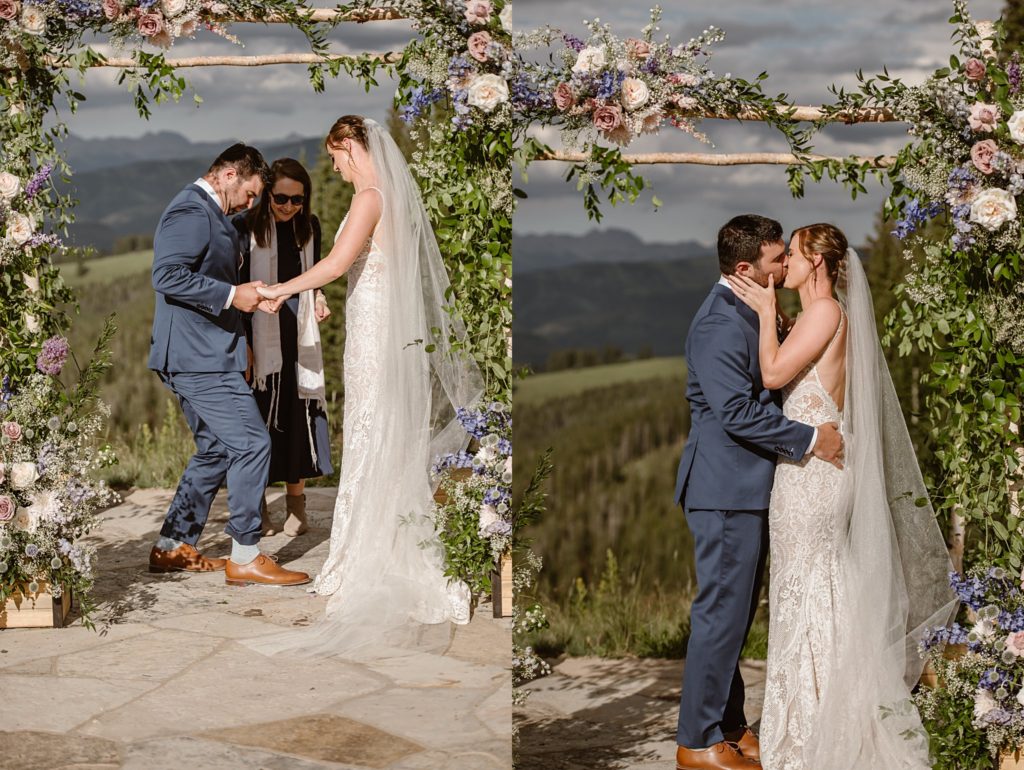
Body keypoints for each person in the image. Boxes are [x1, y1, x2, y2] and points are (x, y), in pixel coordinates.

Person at [248, 116, 484, 656]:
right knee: (383, 427)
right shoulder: (393, 197)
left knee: (373, 425)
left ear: (351, 147)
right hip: (385, 322)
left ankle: (369, 553)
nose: (333, 167)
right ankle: (378, 536)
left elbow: (336, 261)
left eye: (334, 157)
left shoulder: (370, 197)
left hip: (377, 328)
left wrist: (283, 289)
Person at [727, 223, 956, 770]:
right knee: (812, 585)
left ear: (818, 263)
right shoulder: (815, 316)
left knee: (811, 585)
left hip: (813, 474)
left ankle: (818, 723)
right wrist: (779, 321)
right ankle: (818, 710)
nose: (785, 266)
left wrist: (763, 316)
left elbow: (774, 370)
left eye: (795, 255)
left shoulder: (825, 311)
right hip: (807, 468)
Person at [672, 215, 844, 770]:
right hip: (725, 489)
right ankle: (697, 742)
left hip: (749, 487)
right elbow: (738, 413)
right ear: (746, 269)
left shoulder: (750, 309)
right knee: (720, 615)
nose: (785, 266)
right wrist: (811, 438)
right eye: (777, 260)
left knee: (735, 616)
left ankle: (730, 726)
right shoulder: (719, 323)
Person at [146, 143, 310, 588]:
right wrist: (234, 296)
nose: (252, 203)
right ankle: (246, 554)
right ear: (229, 175)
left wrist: (247, 292)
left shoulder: (213, 214)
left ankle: (171, 547)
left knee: (217, 450)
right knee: (253, 444)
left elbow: (214, 273)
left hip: (202, 354)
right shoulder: (191, 211)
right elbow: (166, 275)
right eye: (252, 193)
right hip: (198, 359)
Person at [234, 158, 333, 538]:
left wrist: (319, 297)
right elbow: (237, 286)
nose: (289, 207)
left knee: (296, 415)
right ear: (267, 195)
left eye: (297, 200)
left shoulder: (309, 227)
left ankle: (296, 504)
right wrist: (244, 344)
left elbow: (313, 278)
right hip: (258, 332)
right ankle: (256, 505)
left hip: (297, 332)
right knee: (259, 419)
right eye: (281, 198)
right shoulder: (245, 228)